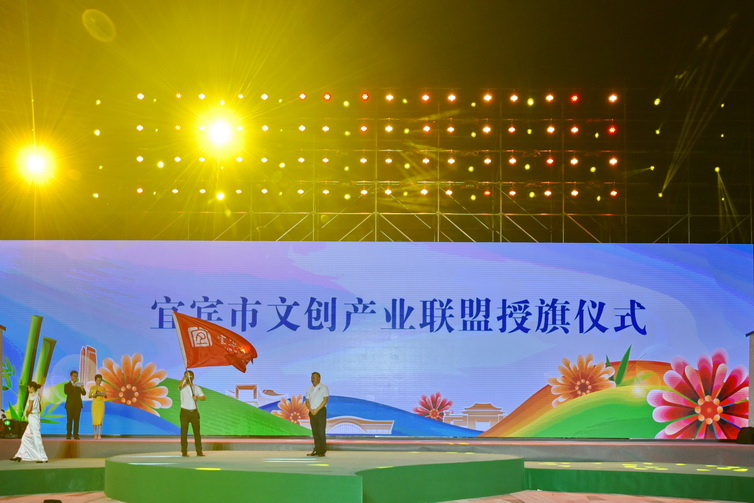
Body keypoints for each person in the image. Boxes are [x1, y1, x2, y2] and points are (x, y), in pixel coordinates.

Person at [10, 381, 48, 463]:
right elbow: (40, 409)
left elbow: (29, 409)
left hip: (33, 417)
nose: (28, 389)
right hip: (35, 417)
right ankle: (19, 455)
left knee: (36, 437)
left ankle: (43, 457)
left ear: (32, 388)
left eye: (28, 388)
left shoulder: (32, 397)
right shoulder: (37, 396)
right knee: (25, 437)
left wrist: (27, 414)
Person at [178, 370, 205, 457]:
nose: (189, 377)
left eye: (190, 376)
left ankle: (199, 451)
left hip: (194, 412)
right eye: (187, 376)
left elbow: (204, 397)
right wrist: (185, 377)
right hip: (184, 412)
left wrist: (197, 397)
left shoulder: (196, 388)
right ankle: (184, 452)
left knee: (197, 433)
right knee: (184, 433)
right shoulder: (182, 387)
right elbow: (179, 386)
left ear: (193, 377)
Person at [305, 371, 329, 457]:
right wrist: (311, 409)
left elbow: (325, 400)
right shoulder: (309, 388)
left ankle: (322, 450)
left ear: (319, 378)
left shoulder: (323, 387)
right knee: (315, 432)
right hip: (312, 412)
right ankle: (317, 449)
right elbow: (307, 401)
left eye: (314, 377)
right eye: (312, 377)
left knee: (321, 432)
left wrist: (317, 410)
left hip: (320, 411)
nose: (312, 379)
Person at [64, 370, 86, 440]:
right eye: (74, 376)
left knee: (77, 421)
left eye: (76, 376)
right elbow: (67, 392)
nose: (75, 377)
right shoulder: (67, 385)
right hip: (70, 405)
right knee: (69, 420)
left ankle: (76, 434)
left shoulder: (79, 385)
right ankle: (69, 434)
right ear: (71, 376)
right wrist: (73, 386)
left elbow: (84, 393)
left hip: (78, 405)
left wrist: (82, 389)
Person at [88, 374, 107, 439]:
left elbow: (106, 396)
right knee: (95, 419)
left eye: (100, 380)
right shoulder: (92, 388)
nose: (99, 381)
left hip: (101, 404)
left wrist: (104, 394)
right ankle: (95, 433)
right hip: (95, 404)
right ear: (95, 380)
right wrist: (94, 395)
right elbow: (89, 396)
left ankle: (99, 434)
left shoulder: (103, 388)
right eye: (97, 380)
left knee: (100, 418)